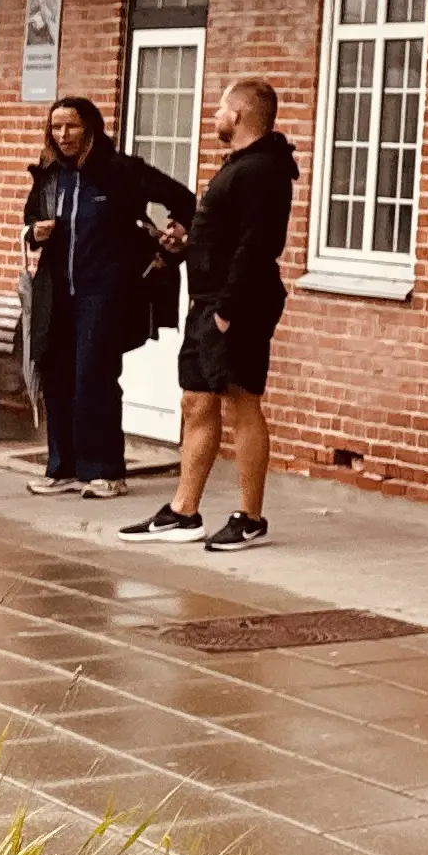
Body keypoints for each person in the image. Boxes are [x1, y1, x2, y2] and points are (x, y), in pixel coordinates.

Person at [124, 77, 297, 553]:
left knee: (241, 403)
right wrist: (186, 244)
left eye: (220, 108)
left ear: (239, 114)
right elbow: (224, 236)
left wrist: (227, 310)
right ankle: (184, 512)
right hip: (209, 302)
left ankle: (250, 517)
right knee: (195, 403)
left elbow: (257, 246)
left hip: (235, 305)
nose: (215, 116)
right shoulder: (241, 166)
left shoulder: (263, 169)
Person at [21, 96, 190, 499]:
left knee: (94, 376)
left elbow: (182, 199)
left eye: (72, 127)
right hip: (57, 290)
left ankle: (105, 469)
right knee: (58, 375)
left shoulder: (120, 170)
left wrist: (173, 238)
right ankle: (61, 467)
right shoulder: (48, 175)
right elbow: (31, 219)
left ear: (91, 129)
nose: (63, 135)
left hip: (106, 291)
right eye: (57, 128)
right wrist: (34, 232)